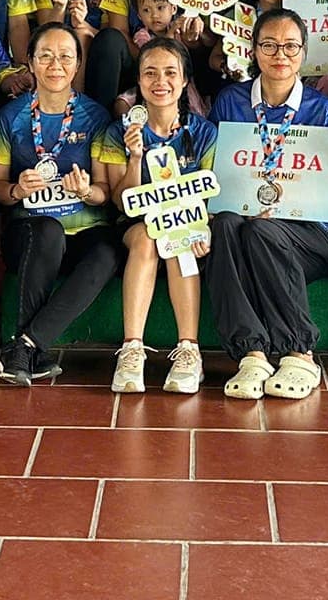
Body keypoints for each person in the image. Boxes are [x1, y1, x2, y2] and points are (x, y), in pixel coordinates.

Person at [206, 7, 328, 399]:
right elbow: (218, 168)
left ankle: (299, 351)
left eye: (289, 46)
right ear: (253, 50)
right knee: (227, 225)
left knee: (260, 229)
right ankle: (251, 351)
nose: (279, 55)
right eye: (269, 45)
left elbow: (326, 188)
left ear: (303, 53)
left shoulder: (321, 109)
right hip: (247, 225)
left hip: (305, 237)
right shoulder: (231, 101)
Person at [0, 23, 118, 382]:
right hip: (30, 231)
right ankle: (29, 348)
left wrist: (87, 191)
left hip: (86, 227)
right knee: (47, 231)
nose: (55, 65)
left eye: (65, 57)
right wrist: (16, 190)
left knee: (108, 253)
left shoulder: (96, 117)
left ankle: (24, 346)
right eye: (46, 55)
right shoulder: (10, 117)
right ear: (30, 63)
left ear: (77, 65)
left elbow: (105, 191)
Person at [96, 38, 216, 394]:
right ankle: (132, 349)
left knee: (178, 237)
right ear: (139, 82)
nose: (159, 81)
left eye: (169, 73)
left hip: (186, 223)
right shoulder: (119, 131)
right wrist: (135, 158)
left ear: (183, 82)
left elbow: (207, 197)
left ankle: (188, 352)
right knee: (151, 236)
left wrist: (200, 228)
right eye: (150, 73)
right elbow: (120, 201)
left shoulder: (204, 132)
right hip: (134, 225)